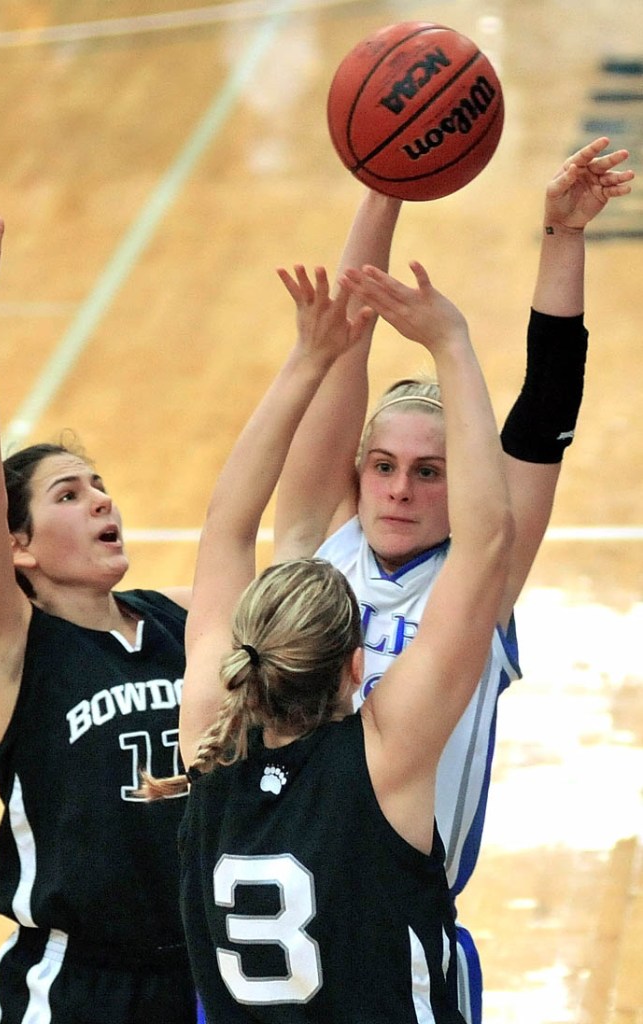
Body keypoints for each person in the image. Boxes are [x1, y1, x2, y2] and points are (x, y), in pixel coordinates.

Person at [272, 137, 635, 1022]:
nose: (399, 488)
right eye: (384, 465)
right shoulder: (320, 544)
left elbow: (544, 409)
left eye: (429, 472)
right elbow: (342, 346)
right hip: (265, 924)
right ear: (356, 471)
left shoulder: (480, 578)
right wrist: (382, 181)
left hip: (400, 931)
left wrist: (561, 237)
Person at [141, 258, 514, 1022]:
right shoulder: (385, 757)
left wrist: (308, 360)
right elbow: (485, 542)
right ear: (358, 664)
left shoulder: (208, 736)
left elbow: (224, 528)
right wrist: (451, 343)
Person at [0, 171, 196, 1023]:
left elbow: (288, 538)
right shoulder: (13, 655)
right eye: (69, 495)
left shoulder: (180, 621)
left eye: (101, 486)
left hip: (212, 976)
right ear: (18, 545)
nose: (102, 501)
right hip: (81, 987)